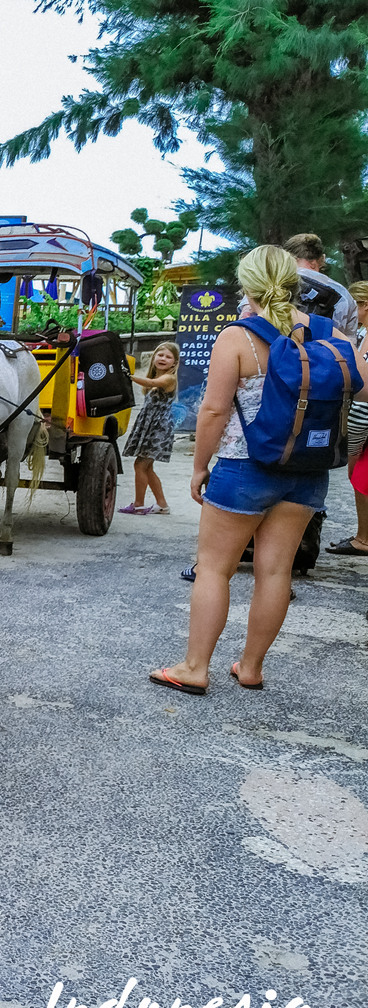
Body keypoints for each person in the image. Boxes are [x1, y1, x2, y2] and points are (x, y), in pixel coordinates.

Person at [153, 247, 368, 694]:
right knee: (275, 572)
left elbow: (212, 411)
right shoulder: (330, 333)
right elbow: (362, 389)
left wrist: (198, 467)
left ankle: (195, 668)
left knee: (214, 568)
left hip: (244, 466)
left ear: (246, 285)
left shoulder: (240, 337)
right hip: (308, 469)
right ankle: (250, 667)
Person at [325, 280, 368, 556]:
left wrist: (353, 442)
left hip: (363, 417)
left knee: (359, 476)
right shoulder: (363, 333)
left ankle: (363, 539)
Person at [120, 341, 181, 515]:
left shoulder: (168, 378)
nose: (163, 359)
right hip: (151, 425)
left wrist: (128, 376)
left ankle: (139, 504)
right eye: (160, 355)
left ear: (174, 363)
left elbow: (149, 381)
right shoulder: (156, 379)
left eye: (168, 357)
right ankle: (162, 505)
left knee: (140, 465)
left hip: (158, 427)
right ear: (154, 357)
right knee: (146, 467)